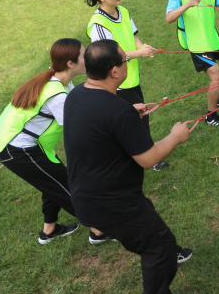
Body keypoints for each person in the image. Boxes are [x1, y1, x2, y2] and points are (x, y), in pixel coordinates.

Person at [64, 40, 193, 294]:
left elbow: (99, 120)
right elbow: (149, 159)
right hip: (111, 203)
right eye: (125, 60)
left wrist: (129, 112)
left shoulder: (77, 95)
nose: (127, 63)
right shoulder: (117, 111)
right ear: (114, 71)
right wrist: (175, 136)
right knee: (160, 248)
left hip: (86, 196)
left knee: (149, 223)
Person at [0, 39, 109, 245]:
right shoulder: (57, 95)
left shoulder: (59, 80)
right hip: (16, 149)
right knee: (66, 186)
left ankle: (49, 230)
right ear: (70, 63)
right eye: (84, 55)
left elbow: (83, 110)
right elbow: (79, 128)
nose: (88, 58)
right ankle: (99, 230)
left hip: (22, 144)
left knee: (51, 181)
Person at [85, 0, 168, 171]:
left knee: (141, 117)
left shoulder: (123, 11)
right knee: (132, 122)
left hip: (131, 77)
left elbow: (133, 36)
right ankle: (147, 159)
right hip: (116, 83)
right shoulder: (98, 24)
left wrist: (143, 47)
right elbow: (109, 57)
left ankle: (146, 156)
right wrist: (139, 53)